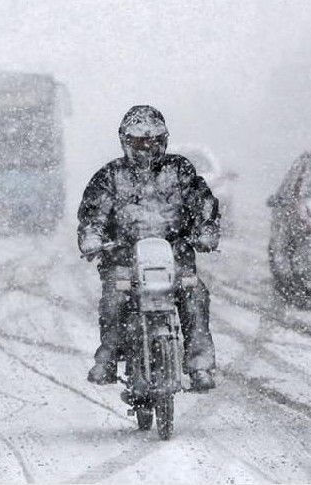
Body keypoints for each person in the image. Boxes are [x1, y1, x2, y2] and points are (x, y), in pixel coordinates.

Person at [77, 105, 220, 392]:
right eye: (140, 141)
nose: (147, 147)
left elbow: (202, 200)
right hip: (123, 259)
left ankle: (199, 365)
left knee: (195, 294)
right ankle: (107, 359)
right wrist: (92, 237)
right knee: (114, 299)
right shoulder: (110, 176)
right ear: (126, 141)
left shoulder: (180, 169)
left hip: (176, 257)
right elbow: (93, 213)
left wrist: (206, 229)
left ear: (164, 139)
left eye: (153, 140)